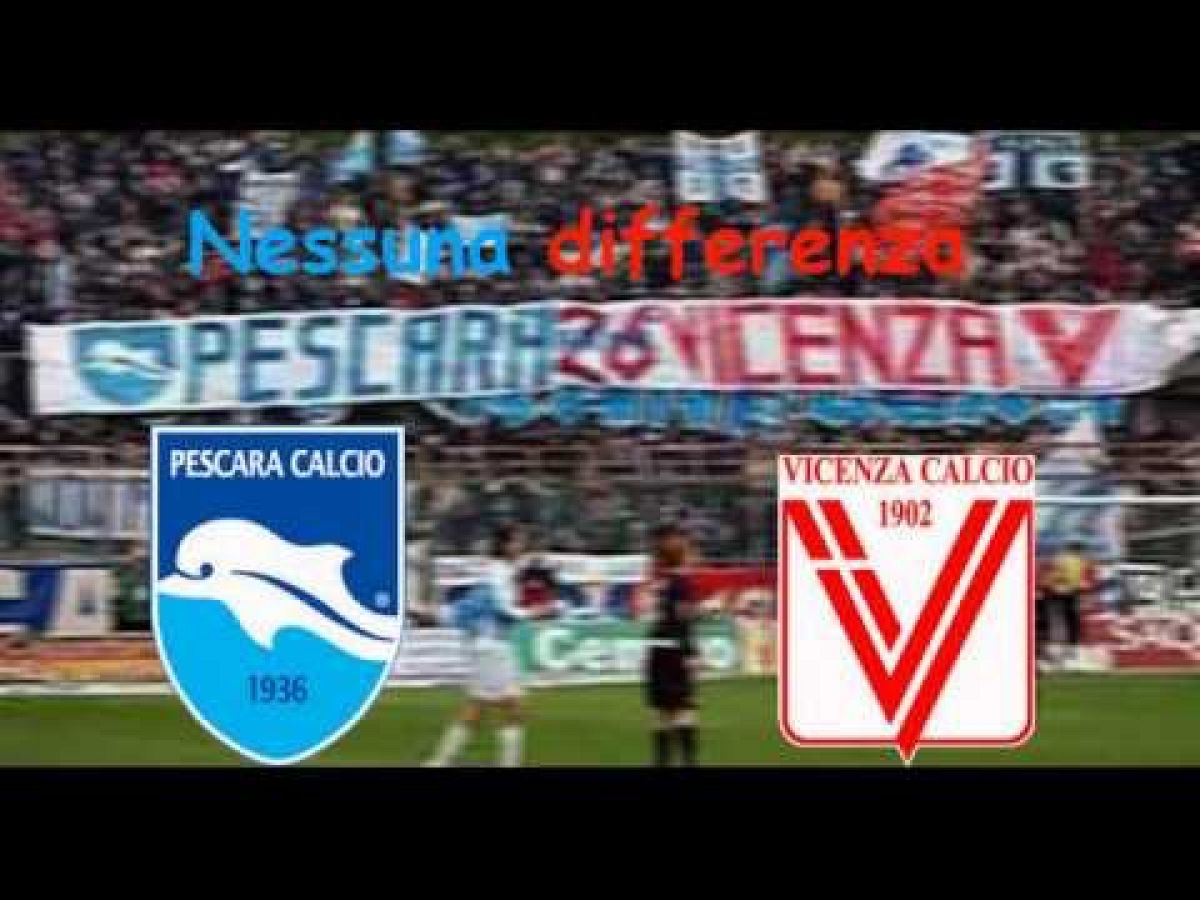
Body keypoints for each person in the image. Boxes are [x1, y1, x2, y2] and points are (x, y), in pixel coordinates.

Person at [424, 522, 537, 768]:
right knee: (512, 706)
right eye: (518, 540)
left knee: (476, 707)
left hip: (485, 644)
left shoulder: (499, 571)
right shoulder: (499, 572)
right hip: (492, 646)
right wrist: (533, 613)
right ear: (506, 545)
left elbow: (476, 606)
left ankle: (440, 761)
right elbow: (503, 608)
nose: (523, 545)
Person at [643, 525, 699, 767]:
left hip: (656, 649)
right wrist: (691, 652)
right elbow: (682, 619)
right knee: (684, 709)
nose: (694, 556)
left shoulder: (662, 582)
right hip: (674, 651)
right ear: (682, 556)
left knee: (661, 711)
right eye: (690, 552)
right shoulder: (682, 583)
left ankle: (661, 761)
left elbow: (659, 616)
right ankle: (688, 761)